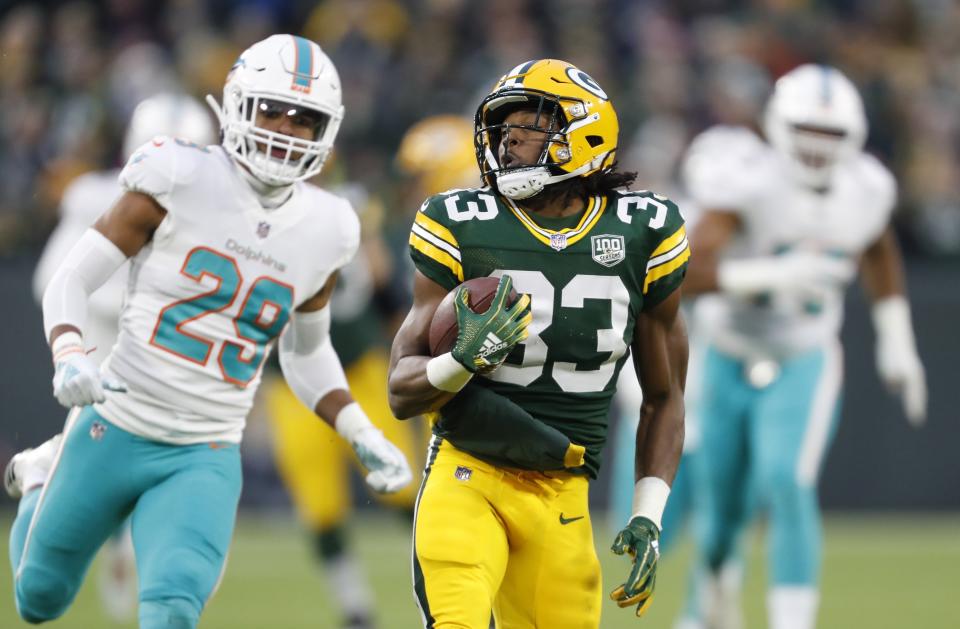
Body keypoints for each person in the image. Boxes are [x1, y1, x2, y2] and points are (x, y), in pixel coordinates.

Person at [4, 34, 412, 628]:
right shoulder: (177, 176)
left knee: (173, 609)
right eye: (272, 109)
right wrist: (69, 351)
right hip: (116, 424)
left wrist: (359, 429)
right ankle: (43, 476)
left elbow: (307, 352)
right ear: (238, 106)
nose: (285, 129)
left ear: (328, 130)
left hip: (206, 447)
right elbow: (71, 278)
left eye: (305, 118)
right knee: (38, 599)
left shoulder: (329, 227)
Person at [387, 59, 689, 628]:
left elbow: (664, 395)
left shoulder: (643, 231)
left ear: (584, 133)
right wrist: (459, 362)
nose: (510, 139)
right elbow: (401, 389)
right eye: (504, 126)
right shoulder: (461, 222)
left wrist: (649, 515)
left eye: (531, 123)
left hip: (563, 492)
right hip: (467, 473)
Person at [679, 64, 927, 629]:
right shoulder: (748, 181)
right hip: (729, 351)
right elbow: (682, 273)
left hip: (803, 357)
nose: (818, 146)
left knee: (787, 479)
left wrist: (897, 339)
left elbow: (880, 248)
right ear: (777, 126)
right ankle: (713, 604)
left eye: (832, 134)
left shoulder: (867, 188)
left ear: (856, 136)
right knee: (720, 513)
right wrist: (770, 275)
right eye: (807, 130)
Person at [29, 91, 216, 623]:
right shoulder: (99, 196)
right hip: (111, 337)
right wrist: (75, 343)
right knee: (100, 449)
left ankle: (138, 548)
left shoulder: (216, 207)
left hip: (170, 343)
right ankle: (57, 491)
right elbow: (57, 278)